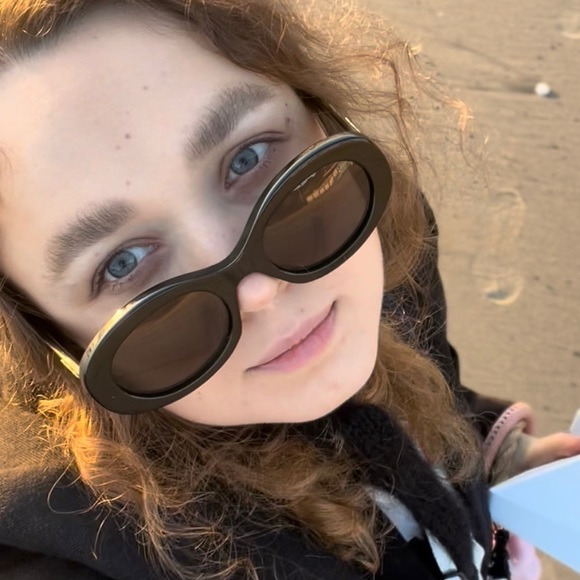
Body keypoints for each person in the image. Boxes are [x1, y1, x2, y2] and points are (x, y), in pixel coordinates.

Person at [0, 1, 578, 579]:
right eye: (122, 263)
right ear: (49, 339)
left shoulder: (364, 238)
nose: (260, 290)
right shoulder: (73, 552)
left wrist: (495, 459)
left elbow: (427, 387)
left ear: (322, 113)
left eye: (247, 158)